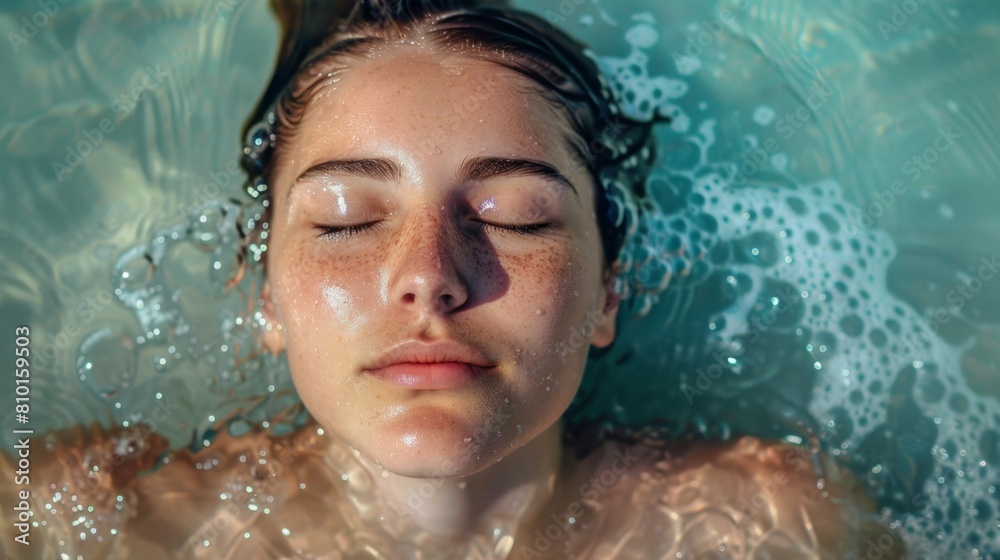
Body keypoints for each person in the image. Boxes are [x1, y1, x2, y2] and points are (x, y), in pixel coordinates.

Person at [1, 0, 904, 558]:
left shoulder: (783, 529)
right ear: (263, 294)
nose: (427, 277)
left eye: (515, 215)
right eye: (348, 219)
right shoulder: (87, 522)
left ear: (606, 292)